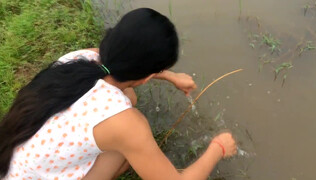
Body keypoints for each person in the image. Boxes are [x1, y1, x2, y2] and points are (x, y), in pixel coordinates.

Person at [0, 8, 237, 180]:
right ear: (146, 75)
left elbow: (125, 63)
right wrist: (219, 147)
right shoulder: (128, 125)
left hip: (11, 164)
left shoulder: (81, 58)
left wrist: (171, 76)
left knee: (129, 101)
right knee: (121, 149)